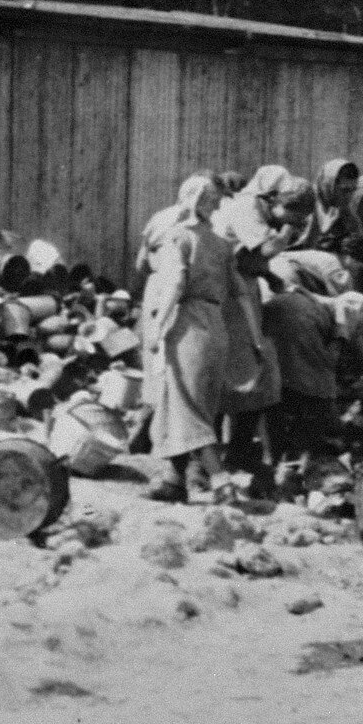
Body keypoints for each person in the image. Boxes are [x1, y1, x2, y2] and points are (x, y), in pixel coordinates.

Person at [212, 165, 317, 492]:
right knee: (244, 371)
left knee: (249, 373)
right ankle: (221, 455)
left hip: (242, 290)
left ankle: (238, 450)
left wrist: (271, 276)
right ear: (271, 198)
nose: (294, 222)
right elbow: (260, 251)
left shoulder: (260, 212)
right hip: (228, 295)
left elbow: (251, 260)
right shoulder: (246, 208)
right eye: (291, 212)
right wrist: (285, 235)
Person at [141, 174, 237, 503]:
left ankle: (221, 480)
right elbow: (237, 292)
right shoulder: (221, 244)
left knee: (185, 405)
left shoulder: (179, 237)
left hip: (188, 324)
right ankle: (173, 480)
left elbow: (175, 284)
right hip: (216, 325)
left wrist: (157, 326)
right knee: (193, 403)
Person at [263, 254, 343, 499]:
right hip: (309, 380)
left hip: (276, 376)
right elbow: (333, 353)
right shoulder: (323, 307)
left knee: (276, 424)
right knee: (306, 431)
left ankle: (274, 473)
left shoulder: (271, 302)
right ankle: (293, 474)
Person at [298, 158, 359, 252]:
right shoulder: (307, 204)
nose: (349, 196)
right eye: (345, 190)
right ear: (329, 185)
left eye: (353, 190)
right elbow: (298, 249)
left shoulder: (344, 210)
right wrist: (324, 231)